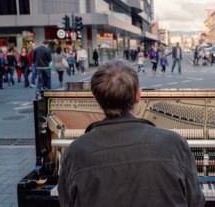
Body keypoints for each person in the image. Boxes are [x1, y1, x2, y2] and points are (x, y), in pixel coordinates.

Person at [58, 60, 205, 207]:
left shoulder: (74, 152)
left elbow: (66, 203)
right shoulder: (175, 144)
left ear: (97, 98)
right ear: (138, 96)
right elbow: (196, 202)